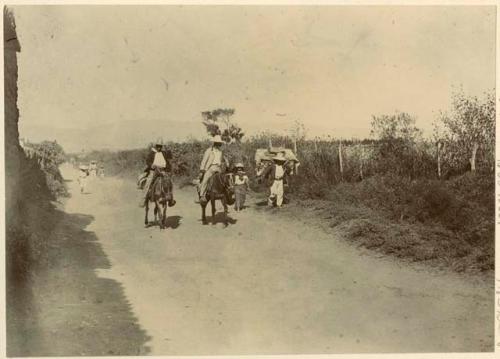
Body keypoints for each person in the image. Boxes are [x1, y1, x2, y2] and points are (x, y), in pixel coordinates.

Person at [140, 142, 176, 208]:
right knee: (149, 182)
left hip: (163, 170)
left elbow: (168, 160)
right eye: (158, 146)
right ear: (156, 146)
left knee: (169, 182)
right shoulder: (152, 153)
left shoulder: (164, 153)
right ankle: (144, 200)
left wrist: (167, 168)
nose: (159, 148)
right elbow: (147, 161)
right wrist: (151, 165)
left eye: (160, 146)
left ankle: (171, 200)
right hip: (154, 171)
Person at [198, 135, 228, 203]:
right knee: (205, 179)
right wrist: (202, 170)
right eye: (218, 143)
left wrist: (226, 162)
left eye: (220, 143)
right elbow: (204, 160)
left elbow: (222, 160)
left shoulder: (221, 151)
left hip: (219, 168)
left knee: (225, 180)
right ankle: (202, 195)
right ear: (215, 143)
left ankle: (228, 196)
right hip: (211, 167)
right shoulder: (209, 151)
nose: (219, 144)